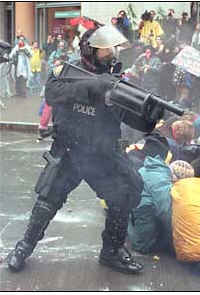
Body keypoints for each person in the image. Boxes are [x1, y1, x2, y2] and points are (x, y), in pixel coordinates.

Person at [6, 25, 163, 274]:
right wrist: (93, 88)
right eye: (104, 50)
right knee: (47, 201)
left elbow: (132, 118)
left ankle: (112, 251)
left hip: (102, 155)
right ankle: (24, 246)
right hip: (69, 150)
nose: (111, 54)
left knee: (124, 194)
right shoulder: (67, 70)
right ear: (90, 50)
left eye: (112, 48)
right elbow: (52, 94)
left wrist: (149, 116)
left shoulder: (117, 82)